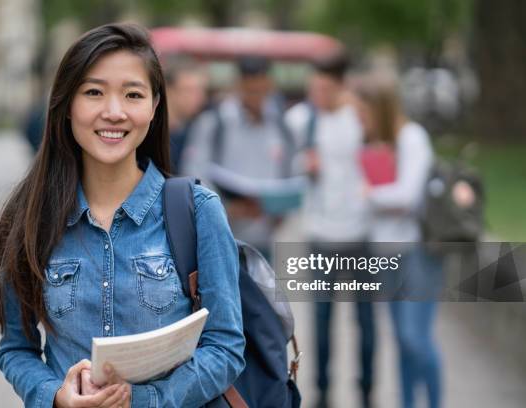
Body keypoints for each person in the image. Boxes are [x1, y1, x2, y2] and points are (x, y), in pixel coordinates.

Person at [0, 23, 245, 408]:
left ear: (154, 108)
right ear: (67, 105)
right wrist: (56, 396)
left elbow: (225, 347)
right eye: (93, 92)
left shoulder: (198, 211)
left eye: (133, 95)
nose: (114, 112)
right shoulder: (28, 218)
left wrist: (145, 400)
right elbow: (17, 350)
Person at [285, 51, 375, 408]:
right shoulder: (301, 120)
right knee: (321, 321)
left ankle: (367, 390)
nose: (316, 94)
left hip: (360, 234)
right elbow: (283, 160)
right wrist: (302, 164)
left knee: (365, 322)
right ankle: (322, 391)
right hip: (320, 235)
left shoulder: (360, 119)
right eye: (313, 87)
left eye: (324, 88)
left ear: (341, 86)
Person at [353, 75, 442, 408]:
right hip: (384, 253)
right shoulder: (374, 143)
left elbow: (407, 195)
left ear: (381, 109)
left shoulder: (412, 138)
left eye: (363, 113)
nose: (360, 120)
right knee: (401, 342)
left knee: (415, 338)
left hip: (417, 252)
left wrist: (370, 194)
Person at [181, 55, 294, 259]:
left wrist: (279, 209)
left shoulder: (280, 126)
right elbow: (194, 174)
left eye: (262, 91)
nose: (256, 97)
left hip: (264, 241)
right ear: (238, 85)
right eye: (250, 91)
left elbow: (288, 171)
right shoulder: (214, 123)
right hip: (222, 239)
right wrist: (226, 208)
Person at [164, 58, 209, 174]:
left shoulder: (196, 128)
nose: (199, 97)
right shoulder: (148, 132)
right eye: (190, 90)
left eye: (201, 91)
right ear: (169, 91)